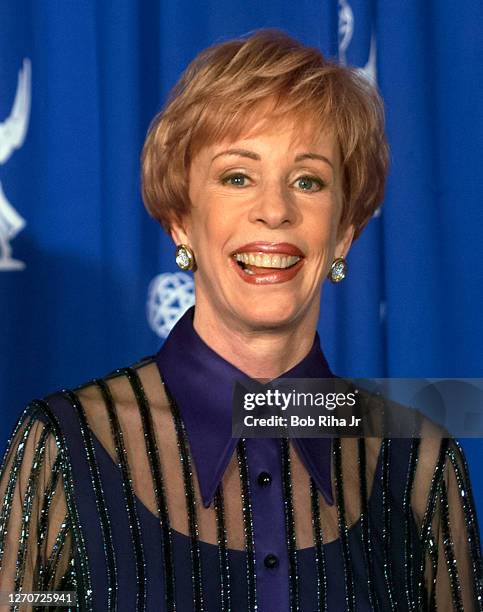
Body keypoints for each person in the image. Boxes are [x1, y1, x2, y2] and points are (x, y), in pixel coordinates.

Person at [0, 29, 482, 612]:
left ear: (344, 232)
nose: (275, 210)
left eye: (308, 180)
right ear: (181, 220)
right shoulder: (63, 445)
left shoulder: (420, 461)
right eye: (237, 176)